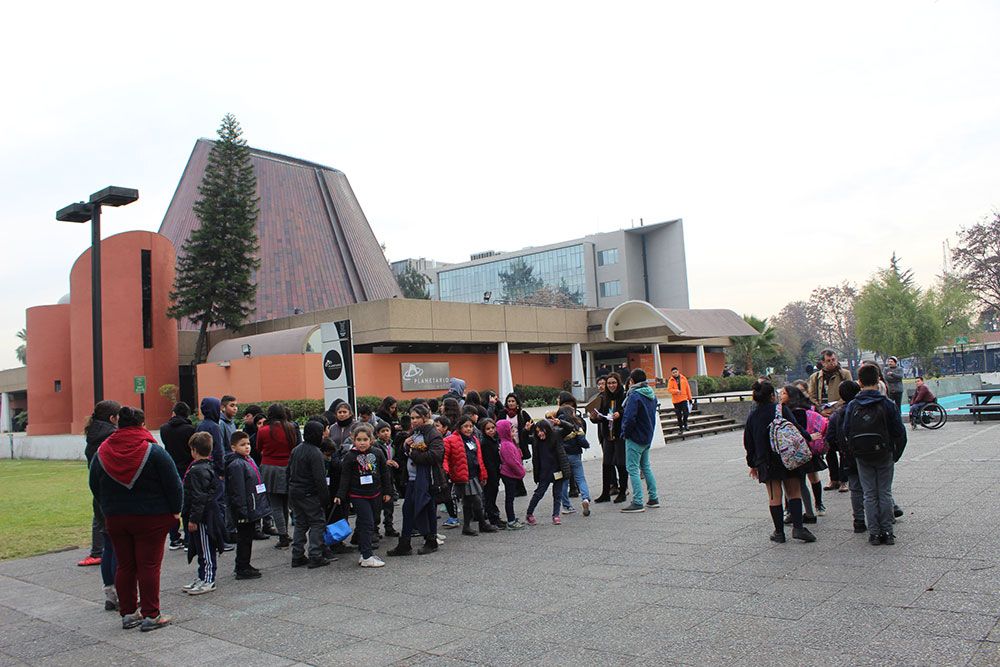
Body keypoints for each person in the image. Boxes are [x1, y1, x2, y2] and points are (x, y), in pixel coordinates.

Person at [89, 406, 182, 632]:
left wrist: (107, 508)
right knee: (149, 566)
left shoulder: (102, 452)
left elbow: (94, 484)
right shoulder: (153, 450)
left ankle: (129, 613)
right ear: (142, 424)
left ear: (118, 423)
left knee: (125, 565)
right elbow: (174, 484)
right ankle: (152, 614)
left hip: (116, 517)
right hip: (152, 516)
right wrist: (175, 511)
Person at [743, 381, 816, 543]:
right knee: (794, 493)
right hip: (787, 456)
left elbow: (748, 442)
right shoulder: (781, 409)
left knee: (774, 496)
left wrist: (752, 464)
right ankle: (798, 528)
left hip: (766, 461)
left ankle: (779, 533)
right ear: (772, 396)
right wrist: (810, 438)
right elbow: (796, 427)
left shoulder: (753, 416)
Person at [844, 364, 907, 545]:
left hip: (862, 455)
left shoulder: (853, 405)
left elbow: (846, 431)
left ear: (860, 381)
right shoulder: (887, 404)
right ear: (879, 379)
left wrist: (853, 452)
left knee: (869, 494)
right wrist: (895, 454)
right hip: (884, 453)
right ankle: (887, 532)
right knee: (884, 492)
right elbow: (899, 432)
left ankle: (874, 533)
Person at [387, 404, 446, 557]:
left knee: (428, 509)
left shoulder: (433, 434)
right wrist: (406, 447)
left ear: (425, 417)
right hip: (412, 478)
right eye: (412, 418)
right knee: (408, 510)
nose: (413, 421)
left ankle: (431, 540)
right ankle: (405, 543)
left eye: (417, 418)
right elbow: (407, 451)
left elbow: (435, 456)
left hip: (427, 479)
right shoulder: (414, 433)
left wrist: (413, 453)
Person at [336, 423, 393, 567]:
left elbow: (385, 473)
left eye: (365, 439)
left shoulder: (377, 453)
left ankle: (364, 552)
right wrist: (340, 495)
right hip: (358, 495)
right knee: (366, 523)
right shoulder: (350, 456)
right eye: (359, 440)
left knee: (370, 522)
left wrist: (388, 491)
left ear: (371, 440)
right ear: (353, 440)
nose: (362, 443)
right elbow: (345, 477)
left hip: (375, 493)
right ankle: (367, 556)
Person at [182, 432, 226, 596]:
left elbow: (199, 497)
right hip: (206, 514)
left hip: (203, 517)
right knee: (201, 547)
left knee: (206, 548)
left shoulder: (197, 470)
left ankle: (208, 579)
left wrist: (194, 518)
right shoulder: (207, 467)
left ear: (194, 450)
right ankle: (202, 576)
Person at [287, 420, 334, 568]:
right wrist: (325, 498)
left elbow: (289, 471)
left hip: (295, 491)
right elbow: (320, 479)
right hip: (309, 493)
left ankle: (297, 555)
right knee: (317, 523)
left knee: (301, 523)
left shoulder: (297, 449)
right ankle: (315, 555)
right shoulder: (315, 453)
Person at [80, 400, 121, 567]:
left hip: (98, 482)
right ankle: (107, 551)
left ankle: (97, 551)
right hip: (112, 483)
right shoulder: (112, 436)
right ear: (112, 418)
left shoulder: (93, 433)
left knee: (99, 516)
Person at [225, 431, 270, 579]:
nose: (247, 447)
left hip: (253, 505)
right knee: (244, 538)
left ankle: (245, 563)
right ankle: (242, 566)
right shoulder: (237, 464)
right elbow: (238, 490)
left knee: (248, 537)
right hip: (245, 509)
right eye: (242, 445)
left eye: (248, 444)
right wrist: (242, 511)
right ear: (233, 447)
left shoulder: (248, 460)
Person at [444, 416, 497, 536]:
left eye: (471, 426)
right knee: (476, 500)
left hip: (473, 474)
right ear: (459, 427)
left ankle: (467, 527)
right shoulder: (450, 440)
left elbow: (479, 459)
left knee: (468, 502)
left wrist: (483, 474)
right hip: (461, 475)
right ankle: (482, 524)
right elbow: (445, 457)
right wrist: (446, 471)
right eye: (465, 426)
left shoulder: (474, 439)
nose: (468, 429)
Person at [825, 380, 866, 533]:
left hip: (849, 455)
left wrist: (841, 449)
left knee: (855, 488)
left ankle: (859, 521)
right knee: (875, 486)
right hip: (871, 452)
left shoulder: (838, 413)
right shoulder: (868, 406)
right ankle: (886, 515)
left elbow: (830, 437)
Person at [619, 369, 661, 513]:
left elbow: (629, 418)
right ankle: (653, 498)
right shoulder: (651, 394)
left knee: (632, 469)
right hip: (647, 436)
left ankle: (637, 501)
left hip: (635, 437)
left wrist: (625, 433)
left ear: (632, 381)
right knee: (646, 467)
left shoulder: (635, 395)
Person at [195, 397, 232, 551]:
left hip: (201, 468)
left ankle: (209, 537)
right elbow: (219, 450)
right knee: (219, 504)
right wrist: (221, 470)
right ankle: (220, 539)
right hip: (214, 471)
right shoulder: (214, 427)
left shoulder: (200, 425)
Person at [257, 404, 296, 549]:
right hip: (288, 467)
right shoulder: (291, 428)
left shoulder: (264, 430)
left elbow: (258, 448)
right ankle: (285, 532)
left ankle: (283, 535)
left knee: (275, 505)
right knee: (285, 504)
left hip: (269, 468)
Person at [160, 401, 196, 551]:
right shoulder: (191, 430)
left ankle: (174, 537)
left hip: (170, 468)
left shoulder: (164, 429)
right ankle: (188, 538)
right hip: (187, 467)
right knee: (188, 503)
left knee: (173, 505)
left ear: (174, 413)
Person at [525, 420, 572, 525]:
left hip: (558, 470)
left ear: (548, 429)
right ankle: (529, 513)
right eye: (537, 432)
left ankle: (556, 515)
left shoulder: (556, 434)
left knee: (557, 494)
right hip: (544, 472)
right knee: (539, 493)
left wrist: (561, 422)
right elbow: (524, 439)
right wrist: (526, 430)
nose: (540, 434)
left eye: (542, 431)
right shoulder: (535, 440)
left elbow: (570, 428)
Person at [593, 373, 628, 503]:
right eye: (609, 383)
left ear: (618, 383)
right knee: (606, 464)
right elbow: (599, 416)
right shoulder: (604, 398)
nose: (611, 385)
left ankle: (622, 491)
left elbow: (628, 412)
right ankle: (605, 493)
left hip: (620, 435)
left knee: (620, 464)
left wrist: (620, 414)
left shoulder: (623, 396)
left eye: (613, 383)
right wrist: (595, 418)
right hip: (607, 435)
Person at [556, 407, 592, 517]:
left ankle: (566, 506)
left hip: (562, 457)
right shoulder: (576, 424)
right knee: (580, 479)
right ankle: (585, 499)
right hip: (575, 455)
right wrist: (587, 445)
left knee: (564, 481)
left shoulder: (557, 425)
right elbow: (582, 441)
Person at [497, 420, 527, 529]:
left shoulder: (509, 443)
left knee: (511, 498)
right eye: (512, 430)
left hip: (510, 473)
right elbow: (511, 461)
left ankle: (512, 518)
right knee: (510, 498)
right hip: (509, 474)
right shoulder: (506, 445)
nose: (514, 432)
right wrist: (521, 471)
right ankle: (511, 520)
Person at [373, 421, 400, 537]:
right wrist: (385, 462)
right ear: (377, 433)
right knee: (377, 506)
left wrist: (396, 462)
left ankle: (389, 526)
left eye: (387, 430)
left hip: (390, 477)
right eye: (382, 431)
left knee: (390, 504)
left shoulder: (392, 444)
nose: (385, 433)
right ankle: (375, 529)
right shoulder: (376, 445)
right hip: (380, 478)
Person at [807, 350, 853, 416]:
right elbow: (812, 396)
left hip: (841, 412)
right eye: (828, 361)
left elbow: (850, 393)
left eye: (833, 359)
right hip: (823, 413)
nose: (832, 362)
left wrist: (834, 408)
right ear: (823, 363)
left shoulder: (845, 374)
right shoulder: (815, 377)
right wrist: (820, 410)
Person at [478, 418, 505, 529]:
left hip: (495, 471)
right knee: (489, 496)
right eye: (488, 429)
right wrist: (492, 475)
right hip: (490, 473)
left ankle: (495, 516)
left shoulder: (494, 439)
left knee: (493, 495)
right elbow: (488, 461)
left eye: (493, 428)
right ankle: (493, 518)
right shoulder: (485, 443)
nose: (491, 430)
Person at [667, 367, 692, 432]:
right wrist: (676, 391)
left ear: (678, 371)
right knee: (679, 415)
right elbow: (669, 390)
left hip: (684, 398)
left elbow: (687, 388)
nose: (675, 373)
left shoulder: (683, 378)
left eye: (676, 372)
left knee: (686, 413)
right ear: (671, 373)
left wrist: (690, 398)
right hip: (676, 401)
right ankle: (681, 427)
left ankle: (685, 423)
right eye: (673, 372)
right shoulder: (671, 380)